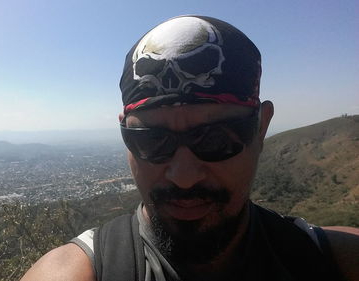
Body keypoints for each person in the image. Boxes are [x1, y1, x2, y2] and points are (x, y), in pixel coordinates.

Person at [21, 15, 359, 281]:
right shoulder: (80, 273)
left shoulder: (336, 263)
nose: (183, 176)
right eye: (151, 139)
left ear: (261, 128)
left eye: (215, 138)